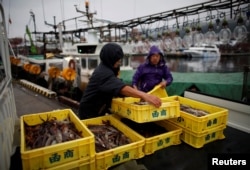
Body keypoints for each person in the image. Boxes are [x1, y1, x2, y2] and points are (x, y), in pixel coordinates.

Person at [78, 43, 162, 119]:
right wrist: (144, 96)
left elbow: (117, 84)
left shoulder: (107, 67)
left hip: (98, 108)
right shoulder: (103, 73)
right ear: (110, 58)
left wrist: (134, 90)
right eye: (117, 59)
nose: (119, 61)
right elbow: (121, 88)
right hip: (89, 113)